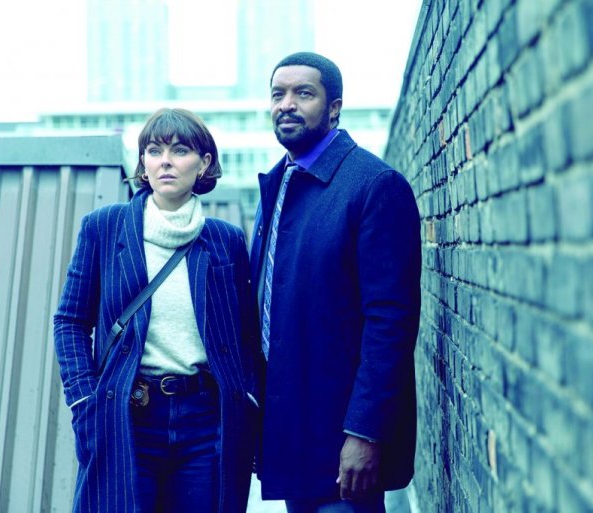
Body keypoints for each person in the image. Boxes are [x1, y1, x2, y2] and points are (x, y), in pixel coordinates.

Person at [54, 107, 262, 513]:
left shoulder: (226, 240)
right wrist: (84, 400)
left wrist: (249, 404)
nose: (165, 161)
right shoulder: (104, 227)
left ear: (204, 163)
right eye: (154, 151)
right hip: (127, 416)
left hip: (206, 423)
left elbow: (247, 336)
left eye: (180, 150)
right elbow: (70, 322)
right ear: (144, 164)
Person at [250, 52, 421, 513]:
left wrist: (365, 432)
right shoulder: (280, 185)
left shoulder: (375, 185)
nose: (287, 104)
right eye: (278, 94)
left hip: (345, 443)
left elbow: (391, 321)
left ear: (334, 109)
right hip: (294, 436)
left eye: (303, 93)